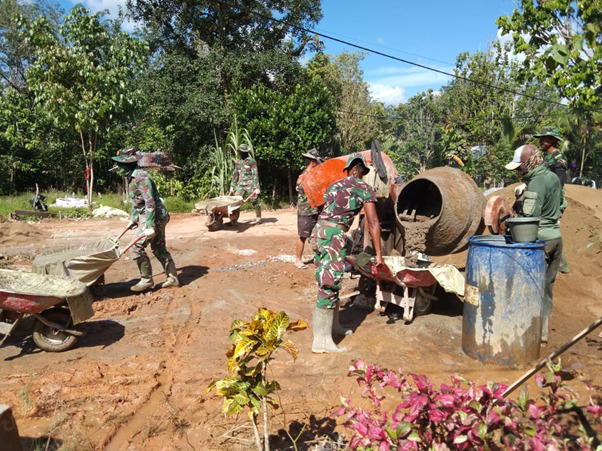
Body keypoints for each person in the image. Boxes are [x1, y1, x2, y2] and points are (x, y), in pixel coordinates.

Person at [312, 153, 384, 353]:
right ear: (361, 171)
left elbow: (326, 208)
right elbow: (374, 223)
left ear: (349, 169)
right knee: (329, 284)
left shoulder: (334, 185)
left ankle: (333, 328)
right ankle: (321, 341)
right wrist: (378, 254)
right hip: (334, 235)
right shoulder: (364, 188)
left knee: (328, 279)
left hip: (319, 233)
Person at [505, 144, 563, 343]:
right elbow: (561, 205)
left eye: (520, 166)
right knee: (546, 288)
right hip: (555, 238)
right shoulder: (553, 177)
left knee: (529, 287)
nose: (519, 171)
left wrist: (514, 214)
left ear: (529, 163)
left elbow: (530, 216)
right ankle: (542, 332)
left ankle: (526, 334)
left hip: (541, 242)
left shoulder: (537, 182)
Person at [111, 148, 180, 292]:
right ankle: (173, 278)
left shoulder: (141, 177)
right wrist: (133, 219)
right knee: (159, 247)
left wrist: (149, 226)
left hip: (155, 216)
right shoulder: (131, 177)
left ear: (128, 164)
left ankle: (146, 280)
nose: (119, 168)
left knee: (136, 247)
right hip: (150, 215)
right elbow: (138, 202)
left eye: (121, 165)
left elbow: (150, 203)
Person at [295, 148, 323, 269]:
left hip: (316, 209)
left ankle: (317, 257)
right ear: (313, 162)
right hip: (306, 210)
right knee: (303, 236)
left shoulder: (310, 174)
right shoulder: (305, 175)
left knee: (317, 235)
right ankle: (297, 259)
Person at [229, 144, 261, 224]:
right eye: (240, 152)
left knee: (255, 200)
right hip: (240, 185)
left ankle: (258, 218)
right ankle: (234, 220)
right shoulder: (238, 162)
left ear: (246, 152)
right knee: (236, 202)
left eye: (242, 152)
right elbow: (235, 174)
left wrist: (256, 187)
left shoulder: (252, 161)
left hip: (250, 184)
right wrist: (232, 185)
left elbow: (255, 174)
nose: (241, 153)